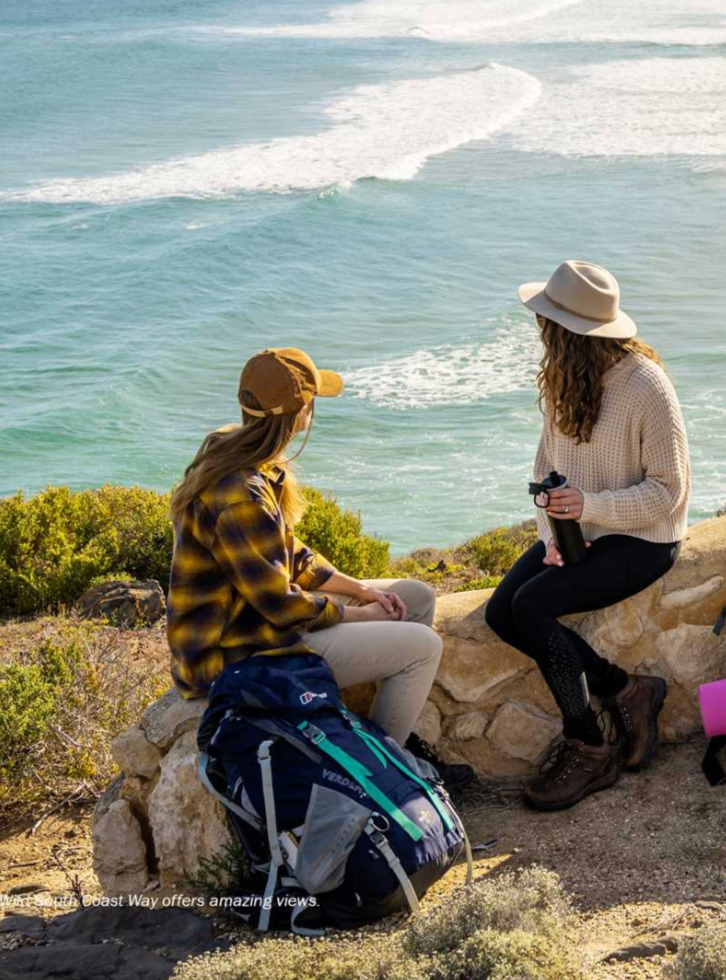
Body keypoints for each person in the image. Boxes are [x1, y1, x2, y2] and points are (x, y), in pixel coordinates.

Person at [167, 346, 472, 788]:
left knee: (416, 597)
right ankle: (381, 775)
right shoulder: (240, 494)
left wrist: (360, 591)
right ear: (300, 414)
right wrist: (360, 614)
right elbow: (281, 605)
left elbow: (289, 552)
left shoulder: (237, 452)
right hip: (238, 651)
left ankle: (379, 742)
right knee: (422, 647)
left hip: (255, 623)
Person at [485, 260, 690, 811]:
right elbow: (545, 470)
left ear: (566, 330)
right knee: (500, 613)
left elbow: (668, 492)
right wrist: (550, 534)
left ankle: (589, 746)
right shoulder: (562, 378)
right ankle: (626, 689)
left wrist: (591, 505)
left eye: (545, 319)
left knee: (532, 608)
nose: (538, 327)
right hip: (579, 530)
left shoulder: (646, 386)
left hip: (645, 538)